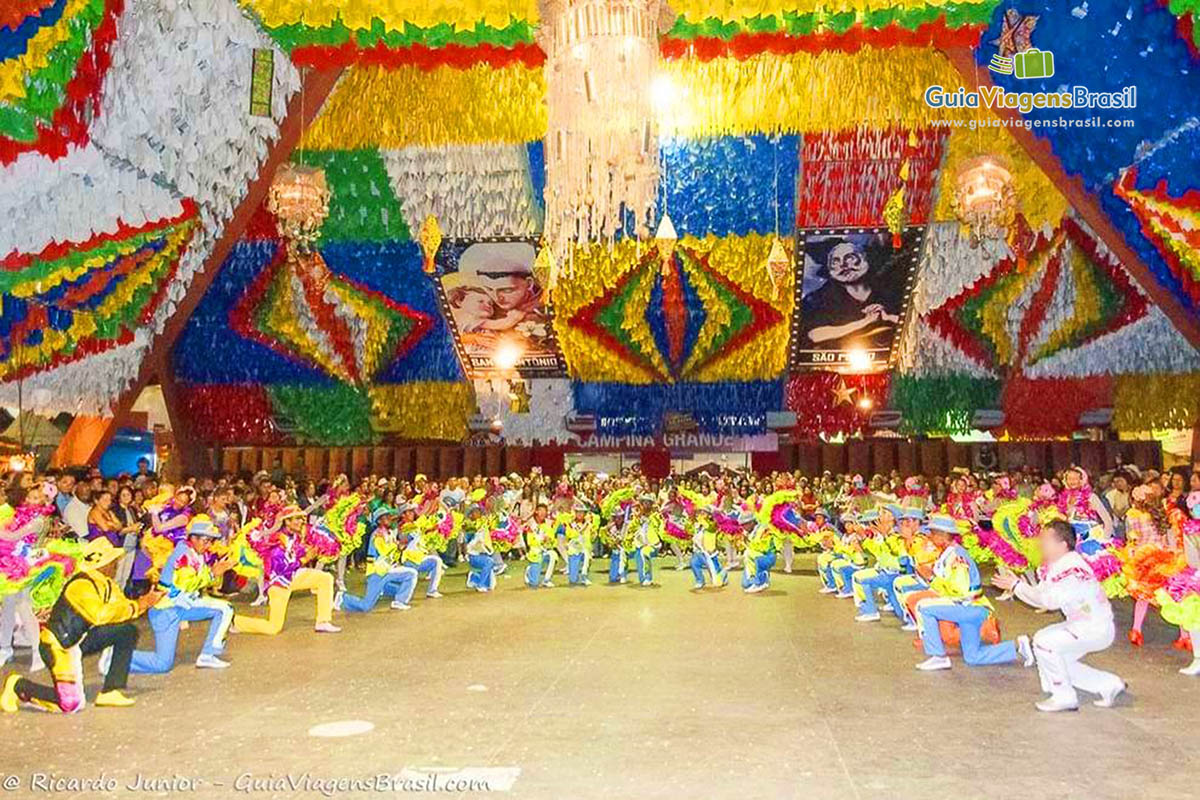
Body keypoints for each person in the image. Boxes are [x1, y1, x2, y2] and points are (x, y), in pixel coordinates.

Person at [1, 539, 162, 713]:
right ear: (103, 564)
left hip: (79, 640)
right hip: (58, 646)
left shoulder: (106, 583)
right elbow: (101, 615)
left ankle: (111, 690)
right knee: (71, 704)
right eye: (112, 562)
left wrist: (144, 602)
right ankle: (18, 686)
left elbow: (122, 608)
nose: (116, 565)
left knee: (127, 632)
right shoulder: (81, 585)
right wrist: (139, 605)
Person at [992, 519, 1125, 712]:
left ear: (1062, 545)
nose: (1040, 543)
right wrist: (1018, 586)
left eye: (1045, 540)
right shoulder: (1059, 565)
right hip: (1085, 626)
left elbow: (1048, 602)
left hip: (1093, 628)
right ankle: (1108, 684)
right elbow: (1042, 596)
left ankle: (1064, 696)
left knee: (1044, 643)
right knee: (1056, 659)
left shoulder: (1071, 570)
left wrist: (1017, 587)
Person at [127, 516, 235, 674]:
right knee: (162, 664)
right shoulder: (184, 555)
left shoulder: (194, 552)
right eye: (206, 540)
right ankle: (116, 658)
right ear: (193, 538)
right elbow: (186, 585)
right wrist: (213, 573)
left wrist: (215, 571)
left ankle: (208, 654)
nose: (208, 545)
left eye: (211, 541)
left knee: (225, 608)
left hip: (180, 605)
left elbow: (200, 580)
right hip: (166, 610)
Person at [232, 506, 340, 635]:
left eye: (301, 519)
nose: (301, 522)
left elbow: (295, 555)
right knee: (273, 628)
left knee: (325, 578)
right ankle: (235, 622)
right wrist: (305, 558)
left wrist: (308, 550)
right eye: (297, 519)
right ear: (287, 522)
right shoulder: (276, 541)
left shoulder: (294, 537)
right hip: (279, 584)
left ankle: (323, 622)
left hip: (293, 577)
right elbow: (282, 568)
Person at [336, 506, 418, 611]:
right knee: (366, 606)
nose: (389, 518)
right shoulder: (377, 534)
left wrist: (399, 549)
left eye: (389, 516)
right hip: (377, 572)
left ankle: (392, 596)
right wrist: (398, 546)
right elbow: (384, 551)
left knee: (409, 576)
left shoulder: (389, 533)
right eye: (385, 517)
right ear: (379, 521)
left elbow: (393, 555)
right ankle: (342, 598)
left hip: (386, 570)